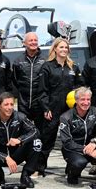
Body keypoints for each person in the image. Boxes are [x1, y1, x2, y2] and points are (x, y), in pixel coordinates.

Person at [38, 37, 83, 174]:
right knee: (47, 139)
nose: (64, 50)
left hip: (69, 110)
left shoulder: (73, 67)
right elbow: (42, 90)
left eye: (66, 47)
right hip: (52, 108)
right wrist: (46, 108)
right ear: (55, 49)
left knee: (71, 139)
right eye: (61, 47)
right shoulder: (47, 66)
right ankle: (39, 168)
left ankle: (72, 168)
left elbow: (80, 86)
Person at [58, 87, 96, 188]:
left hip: (92, 145)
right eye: (82, 99)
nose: (86, 102)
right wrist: (87, 150)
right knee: (79, 164)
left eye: (88, 99)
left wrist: (95, 141)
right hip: (74, 150)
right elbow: (67, 142)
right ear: (76, 100)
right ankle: (71, 172)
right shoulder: (65, 117)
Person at [0, 92, 41, 188]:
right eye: (6, 104)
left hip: (16, 153)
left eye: (12, 104)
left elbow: (35, 131)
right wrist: (6, 157)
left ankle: (26, 175)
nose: (9, 108)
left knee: (37, 143)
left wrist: (20, 140)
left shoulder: (20, 117)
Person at [11, 32, 46, 131]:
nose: (33, 42)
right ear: (24, 43)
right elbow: (14, 81)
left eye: (35, 40)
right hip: (23, 104)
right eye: (31, 40)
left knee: (40, 131)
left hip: (39, 103)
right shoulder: (18, 61)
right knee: (24, 131)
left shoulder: (45, 60)